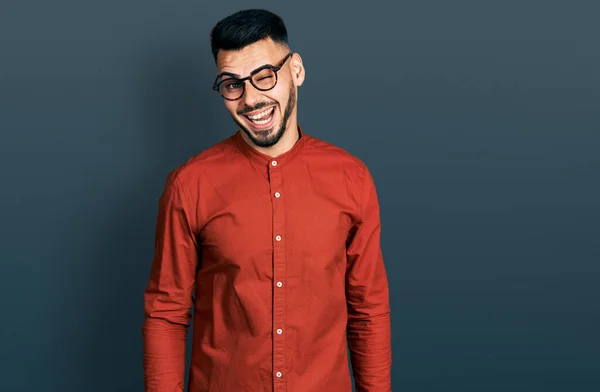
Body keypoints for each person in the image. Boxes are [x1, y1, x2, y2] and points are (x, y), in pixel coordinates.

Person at [142, 8, 392, 392]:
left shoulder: (350, 179)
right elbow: (166, 314)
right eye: (232, 84)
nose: (251, 99)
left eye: (264, 77)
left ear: (296, 71)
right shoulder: (190, 184)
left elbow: (368, 311)